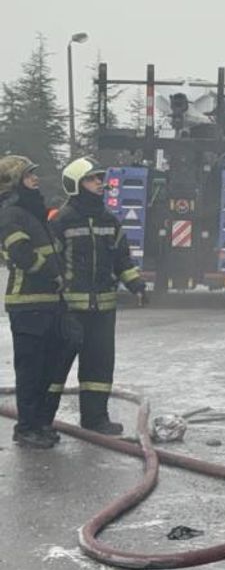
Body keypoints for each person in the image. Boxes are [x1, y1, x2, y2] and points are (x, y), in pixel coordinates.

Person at [48, 157, 146, 435]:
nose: (99, 183)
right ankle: (42, 422)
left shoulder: (109, 220)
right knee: (55, 368)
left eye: (99, 178)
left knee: (99, 368)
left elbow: (122, 259)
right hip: (69, 310)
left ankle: (95, 419)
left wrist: (136, 285)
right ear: (76, 184)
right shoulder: (61, 221)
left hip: (103, 310)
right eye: (92, 179)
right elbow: (51, 262)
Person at [0, 155, 67, 449]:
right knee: (30, 371)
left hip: (48, 302)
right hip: (27, 304)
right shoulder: (11, 214)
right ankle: (26, 428)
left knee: (45, 369)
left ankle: (40, 424)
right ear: (14, 181)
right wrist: (53, 274)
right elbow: (22, 254)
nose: (35, 179)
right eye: (29, 175)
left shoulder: (33, 212)